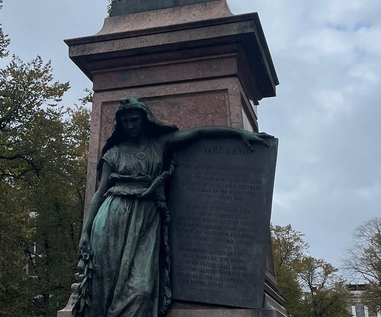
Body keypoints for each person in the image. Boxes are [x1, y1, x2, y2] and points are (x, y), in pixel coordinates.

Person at [72, 98, 268, 317]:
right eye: (125, 122)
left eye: (135, 120)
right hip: (113, 217)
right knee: (104, 283)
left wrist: (238, 133)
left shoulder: (159, 144)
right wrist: (86, 232)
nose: (131, 126)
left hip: (147, 217)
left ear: (145, 120)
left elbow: (199, 133)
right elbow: (99, 193)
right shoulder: (113, 154)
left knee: (142, 289)